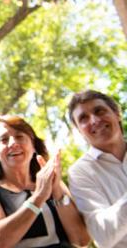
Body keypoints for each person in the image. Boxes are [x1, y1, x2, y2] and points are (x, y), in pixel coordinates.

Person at [0, 115, 90, 248]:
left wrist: (56, 189)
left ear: (33, 145)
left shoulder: (51, 180)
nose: (12, 143)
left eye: (19, 136)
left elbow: (81, 240)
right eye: (4, 139)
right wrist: (39, 197)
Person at [67, 90, 127, 247]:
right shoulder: (80, 172)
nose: (94, 120)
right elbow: (102, 236)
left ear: (117, 114)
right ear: (80, 131)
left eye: (99, 111)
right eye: (83, 118)